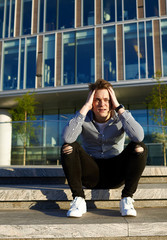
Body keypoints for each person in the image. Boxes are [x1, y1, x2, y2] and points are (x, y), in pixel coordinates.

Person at [61, 79, 148, 218]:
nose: (102, 104)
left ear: (112, 101)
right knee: (68, 146)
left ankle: (126, 198)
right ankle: (78, 199)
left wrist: (119, 107)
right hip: (91, 172)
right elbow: (67, 137)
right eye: (97, 100)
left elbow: (139, 136)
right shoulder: (83, 118)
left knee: (140, 147)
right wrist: (86, 106)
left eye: (106, 100)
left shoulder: (121, 117)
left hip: (116, 171)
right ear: (92, 102)